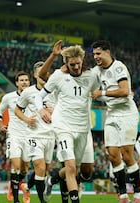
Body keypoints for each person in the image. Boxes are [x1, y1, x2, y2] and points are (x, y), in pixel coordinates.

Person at [35, 43, 100, 203]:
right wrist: (41, 110)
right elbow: (39, 95)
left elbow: (98, 93)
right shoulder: (58, 76)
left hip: (84, 128)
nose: (76, 67)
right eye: (72, 64)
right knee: (71, 167)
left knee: (85, 172)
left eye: (78, 63)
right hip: (63, 126)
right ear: (66, 63)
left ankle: (53, 179)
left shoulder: (91, 76)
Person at [91, 40, 140, 203]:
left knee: (127, 155)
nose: (96, 57)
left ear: (107, 52)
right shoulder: (96, 71)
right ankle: (122, 195)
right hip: (112, 113)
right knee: (112, 155)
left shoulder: (118, 67)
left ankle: (138, 194)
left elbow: (124, 91)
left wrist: (102, 93)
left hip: (127, 112)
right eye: (94, 54)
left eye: (98, 53)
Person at [15, 61, 56, 203]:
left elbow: (63, 110)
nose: (44, 75)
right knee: (39, 166)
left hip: (50, 135)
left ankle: (27, 186)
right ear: (35, 75)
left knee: (45, 170)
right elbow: (17, 109)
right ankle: (41, 200)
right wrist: (27, 119)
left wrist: (54, 111)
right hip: (34, 135)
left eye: (46, 72)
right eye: (40, 72)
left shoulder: (55, 91)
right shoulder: (28, 92)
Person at [0, 71, 32, 203]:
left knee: (24, 168)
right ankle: (17, 199)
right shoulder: (9, 97)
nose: (24, 82)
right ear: (16, 83)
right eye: (21, 80)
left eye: (26, 80)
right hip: (14, 135)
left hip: (29, 136)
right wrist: (0, 125)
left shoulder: (35, 96)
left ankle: (15, 184)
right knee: (15, 165)